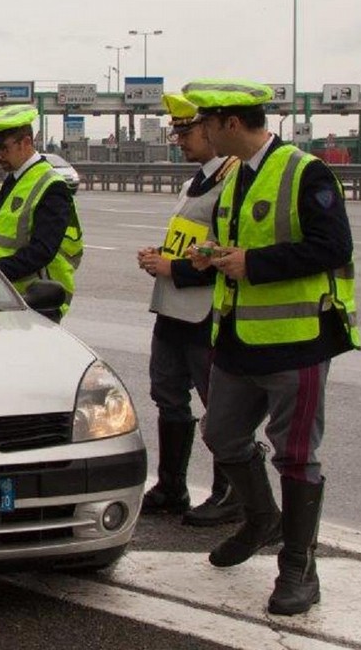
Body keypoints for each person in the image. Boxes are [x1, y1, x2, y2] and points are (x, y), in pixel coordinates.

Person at [182, 78, 360, 616]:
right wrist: (210, 255)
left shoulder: (305, 171)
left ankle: (299, 568)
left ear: (231, 124)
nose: (203, 134)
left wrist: (253, 266)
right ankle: (262, 519)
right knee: (222, 434)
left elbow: (334, 247)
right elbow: (243, 241)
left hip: (297, 339)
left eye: (207, 125)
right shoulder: (238, 176)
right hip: (238, 337)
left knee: (297, 456)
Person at [136, 93, 243, 527]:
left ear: (211, 130)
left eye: (186, 131)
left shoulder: (232, 182)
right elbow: (193, 242)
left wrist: (172, 266)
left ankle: (228, 493)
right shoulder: (194, 182)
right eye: (176, 131)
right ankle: (172, 486)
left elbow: (224, 257)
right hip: (172, 312)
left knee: (220, 408)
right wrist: (161, 256)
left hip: (205, 316)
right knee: (168, 399)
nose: (179, 139)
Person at [0, 104, 83, 320]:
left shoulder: (51, 186)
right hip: (10, 296)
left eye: (3, 148)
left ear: (26, 143)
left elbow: (42, 251)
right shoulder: (15, 177)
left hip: (39, 301)